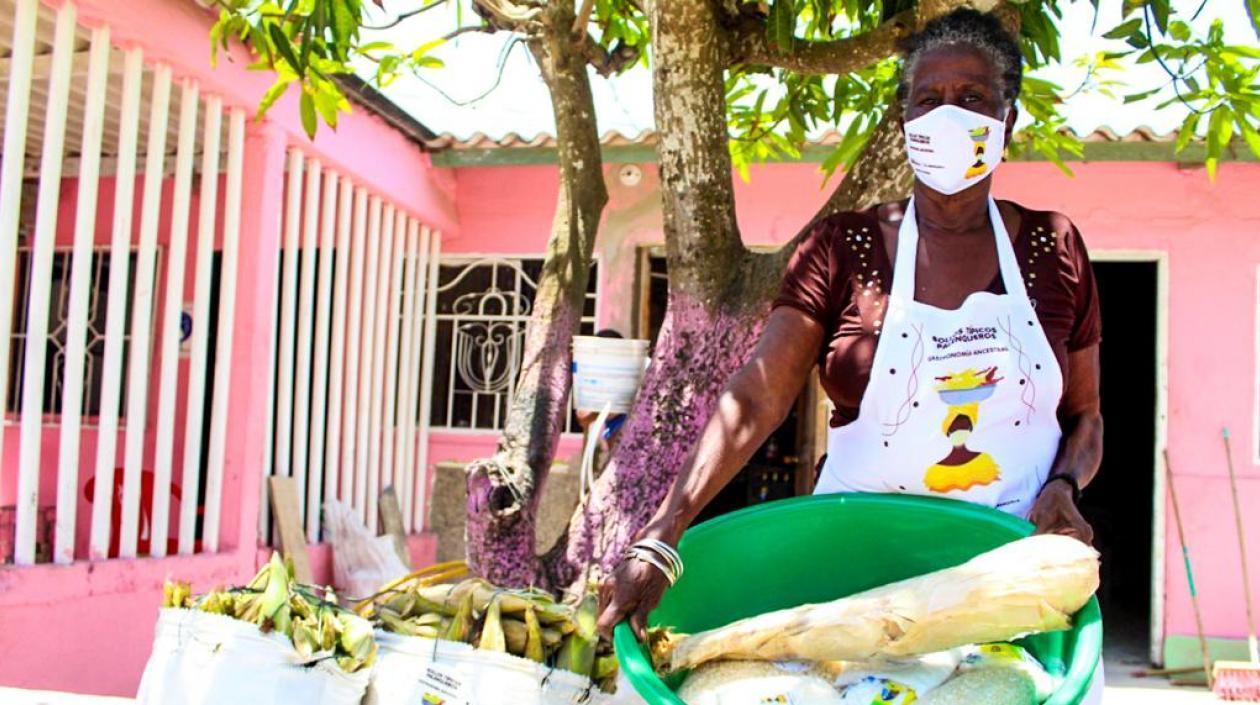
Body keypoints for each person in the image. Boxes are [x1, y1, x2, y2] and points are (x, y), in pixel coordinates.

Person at [597, 7, 1104, 700]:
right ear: (902, 122)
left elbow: (1086, 417)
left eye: (973, 99)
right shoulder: (843, 247)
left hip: (1003, 581)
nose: (948, 118)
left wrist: (1065, 486)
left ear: (1007, 120)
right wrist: (663, 531)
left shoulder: (1054, 246)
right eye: (927, 99)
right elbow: (757, 398)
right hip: (848, 568)